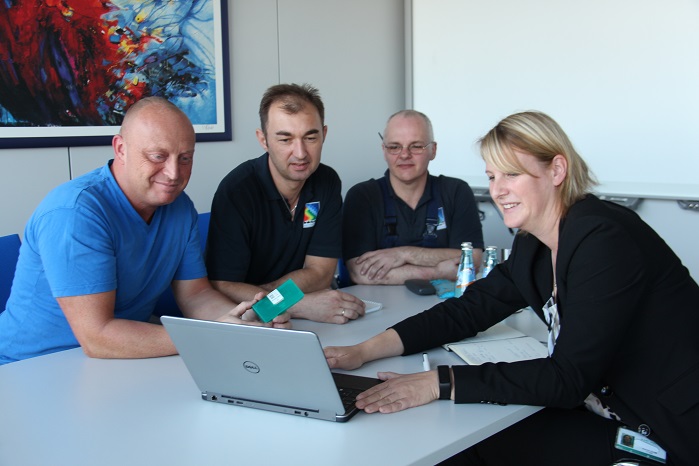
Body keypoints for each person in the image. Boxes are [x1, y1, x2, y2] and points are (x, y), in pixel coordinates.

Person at [325, 111, 699, 465]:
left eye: (512, 175)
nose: (498, 190)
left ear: (556, 169)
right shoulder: (534, 243)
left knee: (469, 445)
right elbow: (469, 309)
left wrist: (438, 382)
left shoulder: (602, 237)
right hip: (606, 409)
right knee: (466, 434)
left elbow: (566, 378)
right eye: (491, 176)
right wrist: (364, 350)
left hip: (663, 432)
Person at [0, 97, 289, 365]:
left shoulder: (179, 207)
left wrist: (240, 325)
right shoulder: (75, 213)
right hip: (31, 365)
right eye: (157, 156)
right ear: (121, 149)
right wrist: (213, 335)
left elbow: (196, 296)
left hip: (122, 357)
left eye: (185, 158)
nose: (174, 173)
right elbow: (97, 337)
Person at [205, 83, 365, 324]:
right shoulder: (237, 191)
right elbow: (221, 285)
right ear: (263, 139)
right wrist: (298, 304)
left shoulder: (327, 182)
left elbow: (321, 274)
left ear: (324, 134)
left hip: (288, 313)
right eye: (285, 139)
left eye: (310, 137)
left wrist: (269, 297)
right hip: (248, 321)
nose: (300, 153)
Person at [342, 110, 484, 285]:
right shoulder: (363, 196)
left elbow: (472, 259)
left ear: (433, 150)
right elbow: (360, 273)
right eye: (394, 147)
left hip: (445, 305)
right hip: (380, 307)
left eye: (416, 146)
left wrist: (403, 254)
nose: (404, 155)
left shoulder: (456, 192)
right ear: (384, 151)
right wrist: (437, 271)